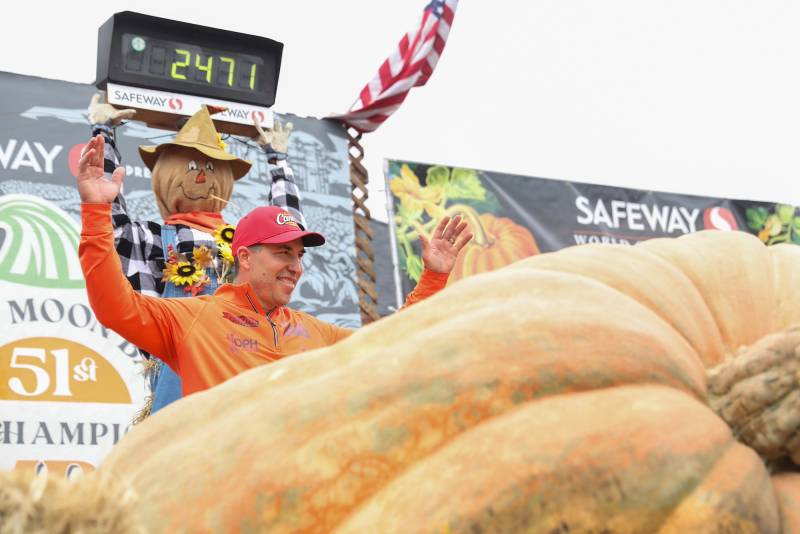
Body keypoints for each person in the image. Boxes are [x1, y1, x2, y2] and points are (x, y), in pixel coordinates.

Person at [77, 134, 472, 397]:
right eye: (283, 253)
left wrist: (434, 277)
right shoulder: (192, 319)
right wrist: (97, 210)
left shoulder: (312, 331)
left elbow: (390, 343)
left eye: (300, 256)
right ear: (244, 257)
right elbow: (115, 306)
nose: (296, 266)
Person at [89, 96, 304, 412]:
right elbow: (109, 221)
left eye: (209, 167)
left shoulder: (242, 242)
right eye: (191, 167)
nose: (201, 177)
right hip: (182, 388)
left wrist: (278, 161)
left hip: (246, 376)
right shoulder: (151, 239)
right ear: (167, 177)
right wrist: (103, 133)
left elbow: (287, 235)